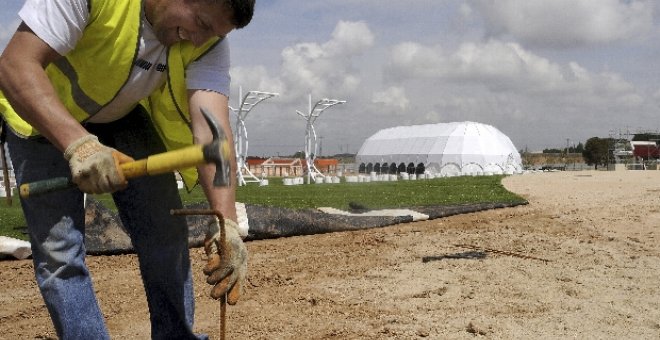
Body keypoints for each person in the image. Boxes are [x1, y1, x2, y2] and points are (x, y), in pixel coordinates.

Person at [0, 0, 253, 338]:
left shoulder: (209, 41)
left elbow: (213, 132)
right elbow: (15, 65)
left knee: (165, 227)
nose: (198, 40)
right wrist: (80, 145)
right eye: (202, 24)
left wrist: (228, 225)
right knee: (60, 254)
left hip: (120, 116)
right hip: (40, 116)